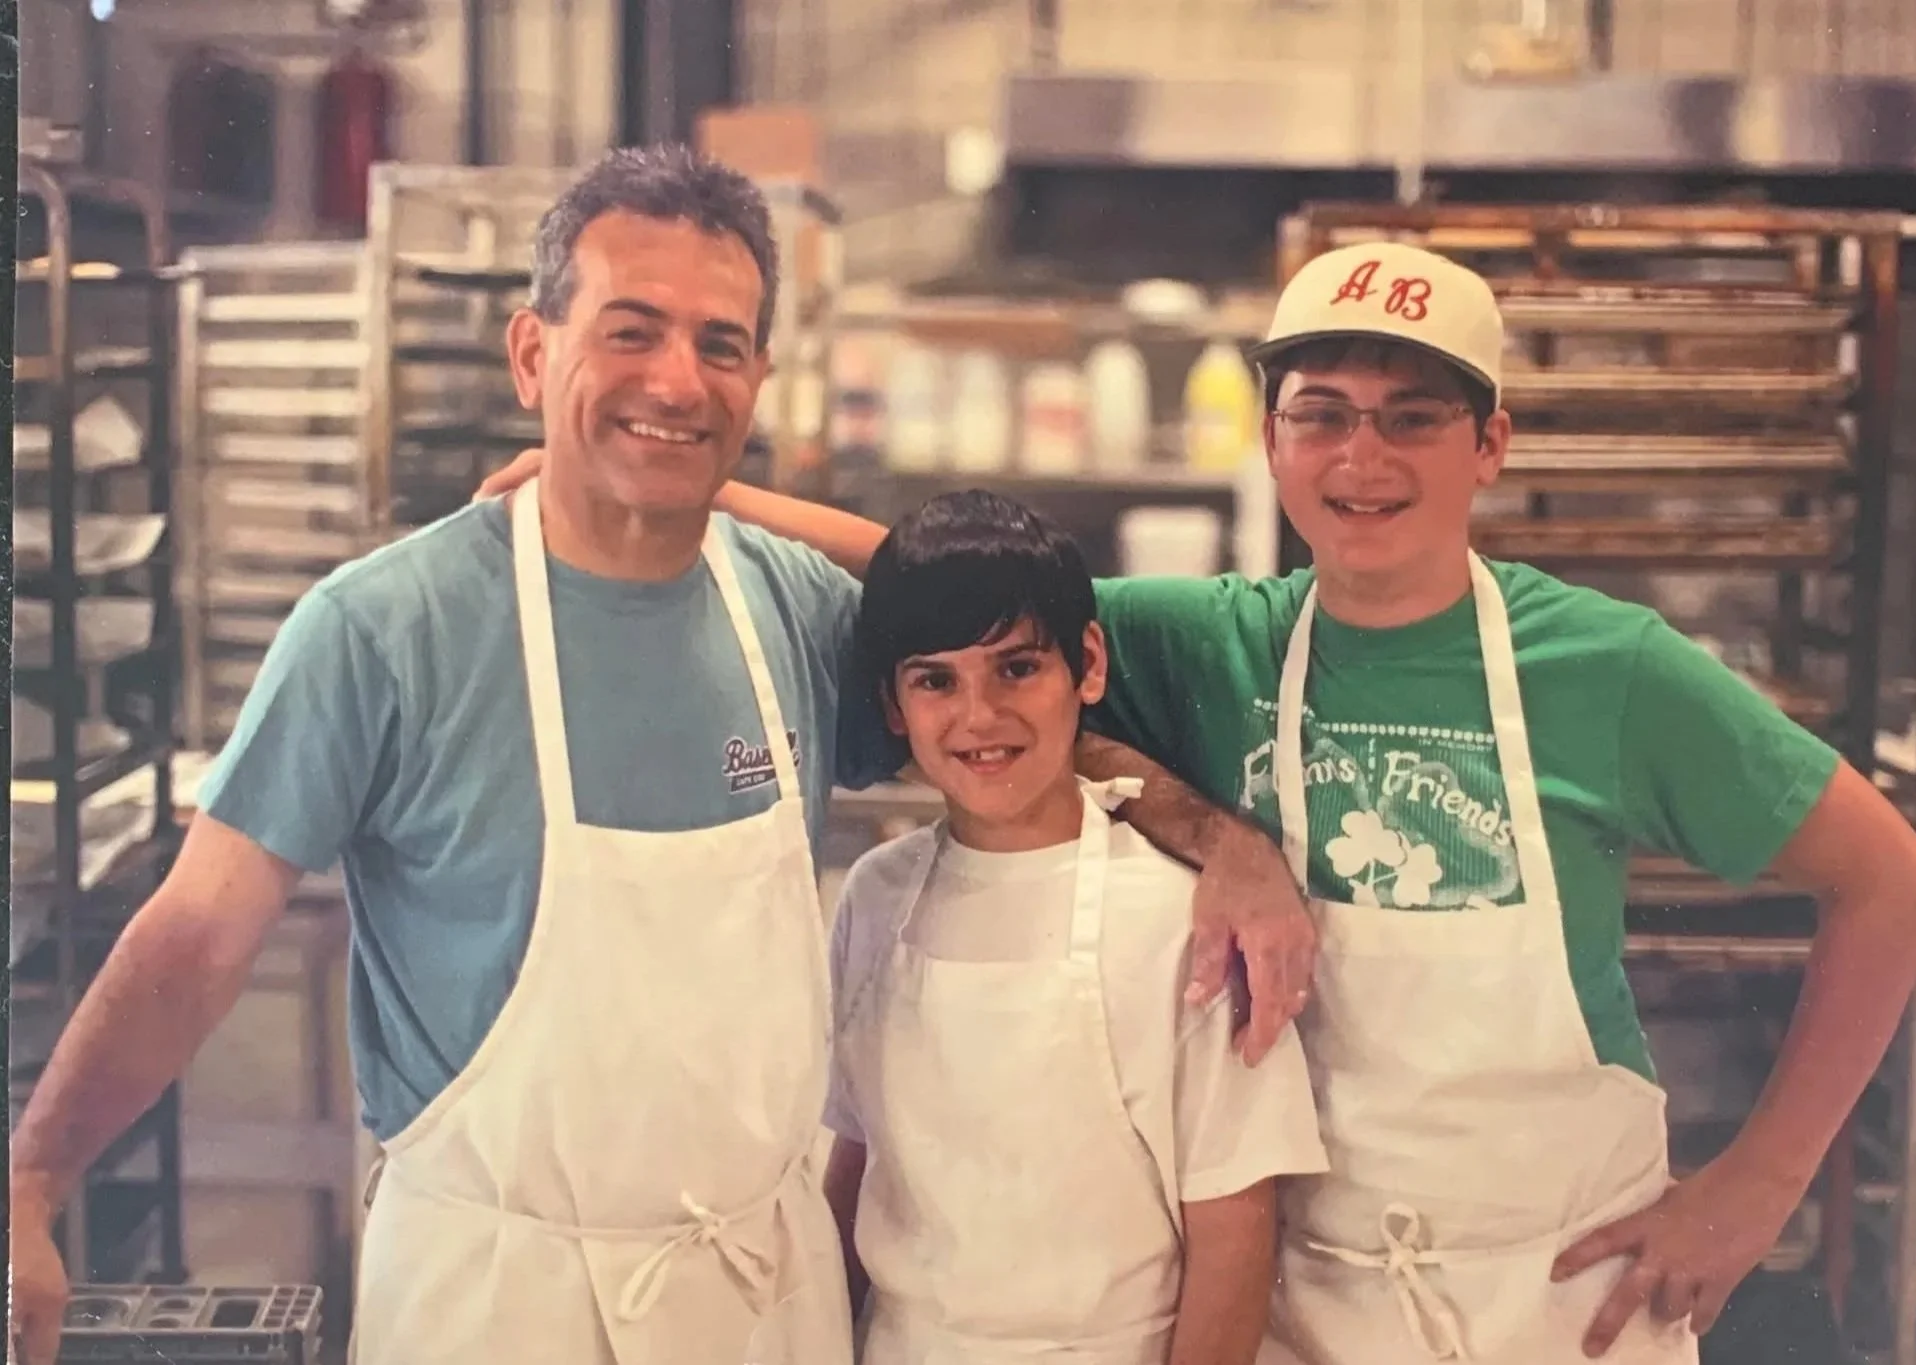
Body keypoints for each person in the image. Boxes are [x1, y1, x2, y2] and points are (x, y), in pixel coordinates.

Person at [486, 239, 1916, 1362]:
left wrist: (1760, 1182)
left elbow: (1893, 884)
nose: (1361, 459)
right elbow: (944, 583)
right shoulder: (1221, 642)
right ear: (1271, 433)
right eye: (1322, 413)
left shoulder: (1605, 669)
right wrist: (659, 488)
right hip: (1309, 1308)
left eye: (1412, 418)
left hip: (1559, 1302)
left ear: (1490, 442)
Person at [9, 142, 1312, 1365]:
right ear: (533, 352)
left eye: (720, 346)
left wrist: (1223, 843)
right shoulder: (383, 629)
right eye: (629, 332)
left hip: (756, 1289)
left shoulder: (791, 611)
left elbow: (998, 671)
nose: (677, 380)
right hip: (495, 1292)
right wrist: (34, 1176)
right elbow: (197, 937)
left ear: (756, 380)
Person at [819, 490, 1329, 1365]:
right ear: (893, 704)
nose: (980, 715)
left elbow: (1235, 1239)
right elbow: (859, 1167)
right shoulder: (875, 895)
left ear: (1087, 665)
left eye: (1017, 668)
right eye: (936, 680)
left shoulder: (1179, 919)